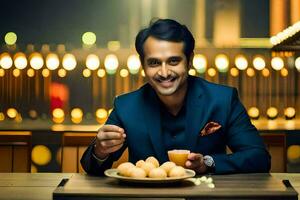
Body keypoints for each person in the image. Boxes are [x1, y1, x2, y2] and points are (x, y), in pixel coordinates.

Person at [81, 18, 271, 176]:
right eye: (154, 62)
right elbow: (91, 167)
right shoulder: (126, 106)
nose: (164, 73)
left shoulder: (223, 99)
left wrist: (208, 163)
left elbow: (258, 157)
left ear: (190, 61)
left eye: (173, 61)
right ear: (143, 65)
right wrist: (100, 150)